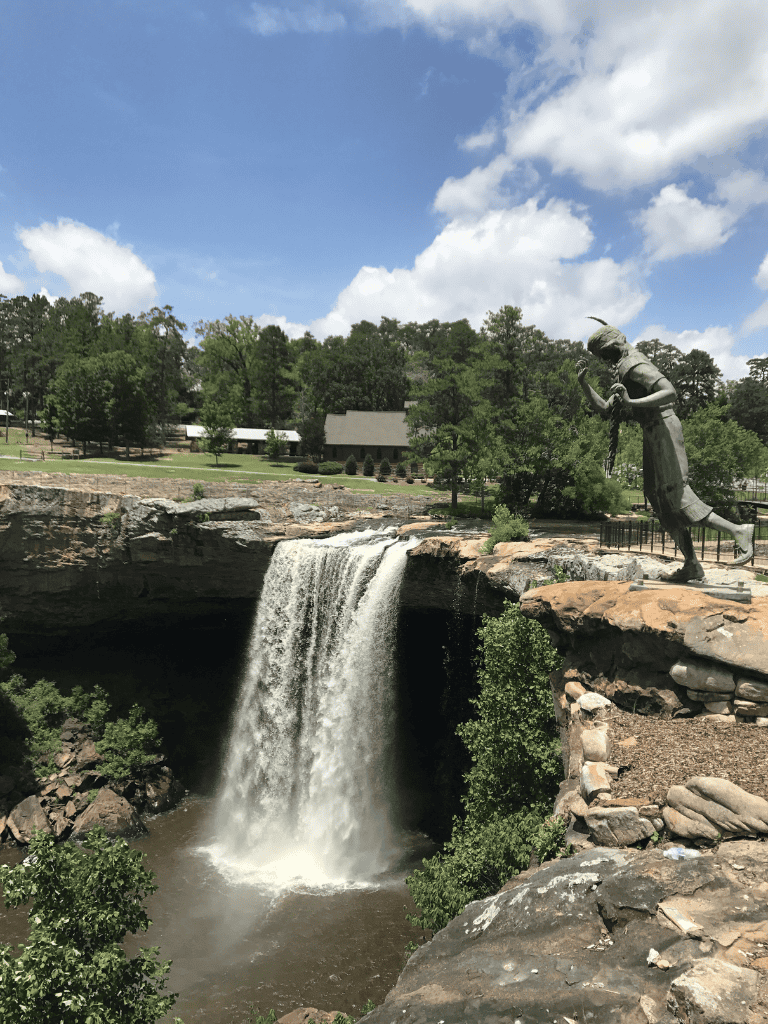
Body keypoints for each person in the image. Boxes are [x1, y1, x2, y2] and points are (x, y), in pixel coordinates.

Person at [576, 320, 754, 582]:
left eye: (605, 355)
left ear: (613, 346)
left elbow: (669, 392)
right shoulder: (623, 369)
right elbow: (605, 408)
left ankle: (739, 531)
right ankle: (691, 564)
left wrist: (631, 401)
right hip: (652, 433)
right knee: (660, 500)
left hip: (663, 429)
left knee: (678, 496)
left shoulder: (633, 363)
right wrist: (583, 383)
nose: (605, 361)